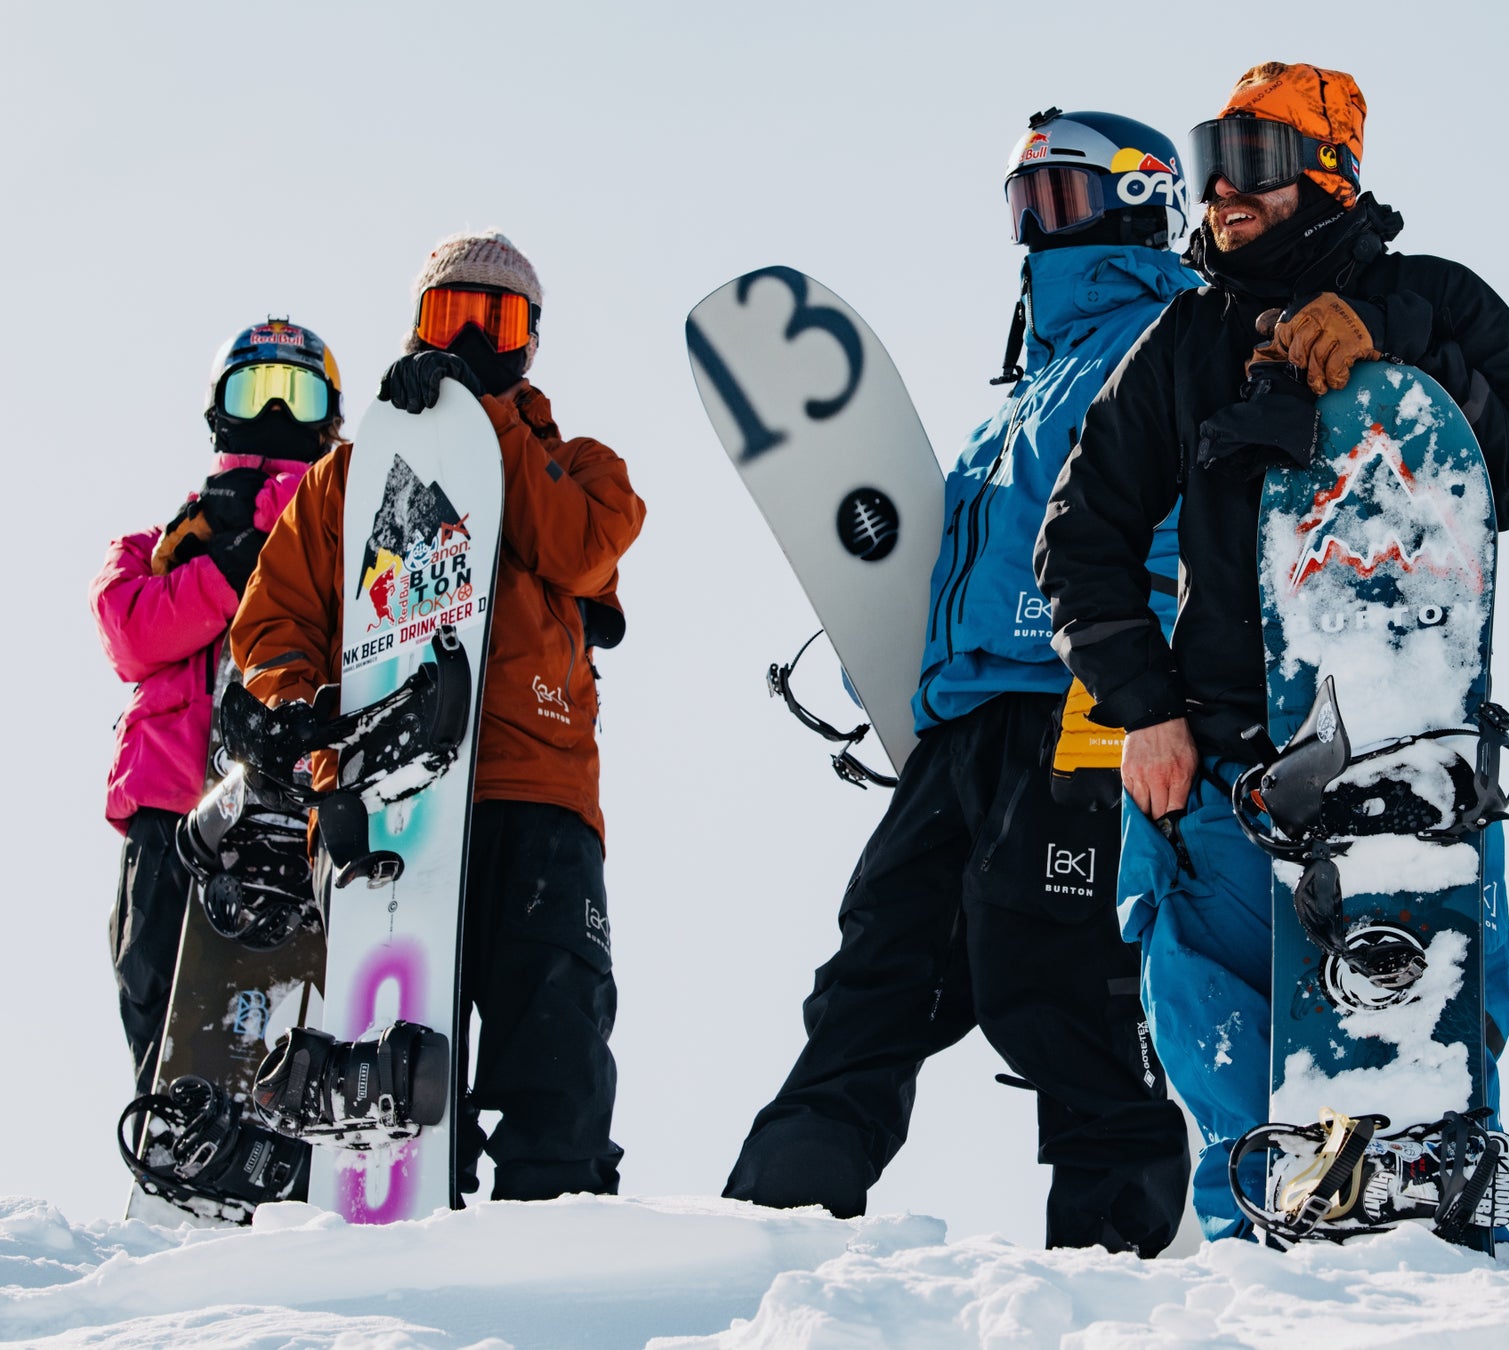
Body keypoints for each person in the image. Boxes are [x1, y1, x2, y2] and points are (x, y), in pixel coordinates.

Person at [1034, 62, 1509, 1239]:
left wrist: (1396, 345)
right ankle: (1268, 1276)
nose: (1222, 187)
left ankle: (1430, 1259)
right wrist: (1145, 710)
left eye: (1257, 159)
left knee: (1426, 1019)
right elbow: (1079, 539)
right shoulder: (1184, 343)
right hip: (1227, 763)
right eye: (1209, 156)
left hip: (1413, 769)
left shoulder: (1435, 298)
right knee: (1215, 1025)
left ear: (1326, 175)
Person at [724, 111, 1199, 1256]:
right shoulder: (1019, 393)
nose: (1040, 225)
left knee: (1062, 971)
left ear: (1145, 201)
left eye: (1066, 198)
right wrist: (897, 656)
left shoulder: (1171, 348)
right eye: (1024, 202)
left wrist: (1150, 680)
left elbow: (1183, 521)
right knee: (876, 961)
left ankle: (1116, 1255)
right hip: (964, 728)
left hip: (1080, 704)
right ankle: (776, 1219)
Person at [230, 231, 646, 1201]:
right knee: (393, 1046)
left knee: (555, 1037)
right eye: (443, 317)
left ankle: (559, 1223)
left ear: (529, 343)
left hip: (532, 789)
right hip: (386, 802)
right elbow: (273, 619)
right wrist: (300, 720)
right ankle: (393, 1236)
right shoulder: (347, 479)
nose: (462, 340)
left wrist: (480, 421)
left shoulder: (583, 468)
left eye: (489, 321)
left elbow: (577, 548)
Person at [93, 318, 345, 1097]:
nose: (274, 415)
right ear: (218, 407)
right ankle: (172, 1122)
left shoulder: (333, 527)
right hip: (170, 798)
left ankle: (282, 1121)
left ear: (327, 417)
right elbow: (130, 629)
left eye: (295, 397)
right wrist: (227, 567)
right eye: (256, 391)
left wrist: (276, 532)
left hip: (280, 797)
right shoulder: (162, 541)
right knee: (152, 973)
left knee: (282, 975)